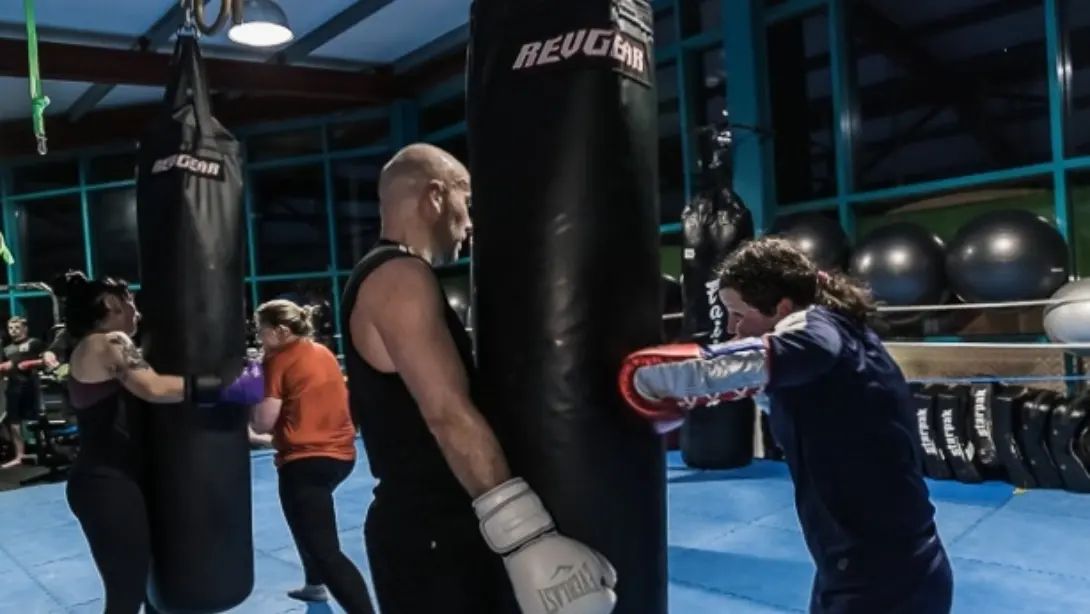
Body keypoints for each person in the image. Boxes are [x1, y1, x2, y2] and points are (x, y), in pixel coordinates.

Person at [341, 143, 617, 614]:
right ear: (434, 196)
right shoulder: (400, 277)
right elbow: (447, 412)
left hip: (438, 528)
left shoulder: (385, 276)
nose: (469, 224)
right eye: (464, 202)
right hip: (432, 531)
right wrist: (527, 536)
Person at [620, 237, 953, 614]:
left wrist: (647, 379)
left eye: (738, 313)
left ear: (781, 307)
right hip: (880, 563)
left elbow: (791, 351)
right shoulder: (846, 336)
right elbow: (771, 381)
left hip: (879, 576)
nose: (731, 327)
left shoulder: (817, 330)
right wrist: (679, 404)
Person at [61, 271, 249, 614]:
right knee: (125, 594)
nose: (138, 311)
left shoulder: (98, 345)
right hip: (106, 481)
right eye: (130, 301)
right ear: (111, 304)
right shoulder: (107, 342)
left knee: (149, 592)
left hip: (120, 478)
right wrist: (222, 386)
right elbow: (155, 388)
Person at [248, 299, 375, 614]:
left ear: (279, 330)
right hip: (343, 457)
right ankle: (314, 586)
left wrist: (252, 383)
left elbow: (262, 421)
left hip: (305, 462)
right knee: (306, 524)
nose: (257, 337)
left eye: (260, 331)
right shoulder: (323, 352)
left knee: (325, 550)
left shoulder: (277, 362)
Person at [0, 316, 47, 468]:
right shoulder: (6, 349)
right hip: (13, 387)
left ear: (25, 329)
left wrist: (29, 363)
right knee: (13, 422)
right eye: (10, 328)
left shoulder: (34, 343)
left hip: (30, 386)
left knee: (36, 420)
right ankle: (19, 456)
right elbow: (4, 368)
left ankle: (44, 451)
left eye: (17, 327)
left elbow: (47, 360)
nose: (13, 331)